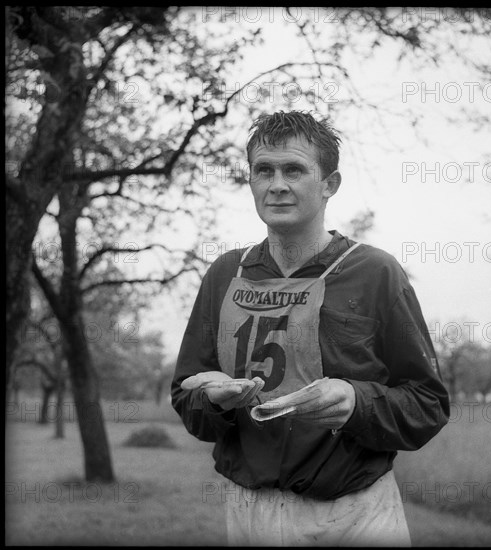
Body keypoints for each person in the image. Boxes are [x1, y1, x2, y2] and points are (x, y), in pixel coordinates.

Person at [171, 110, 450, 546]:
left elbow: (428, 404)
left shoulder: (376, 272)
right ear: (251, 180)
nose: (276, 184)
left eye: (294, 170)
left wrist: (357, 402)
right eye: (264, 170)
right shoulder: (226, 273)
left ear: (329, 184)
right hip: (245, 512)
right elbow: (186, 397)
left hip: (353, 514)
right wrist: (211, 400)